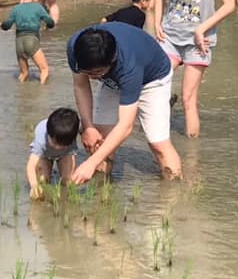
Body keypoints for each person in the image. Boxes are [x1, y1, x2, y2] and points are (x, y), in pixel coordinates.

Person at [67, 23, 182, 183]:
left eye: (97, 72)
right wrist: (88, 126)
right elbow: (80, 85)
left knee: (158, 144)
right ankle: (102, 196)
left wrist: (89, 164)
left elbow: (126, 126)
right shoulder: (76, 47)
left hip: (152, 79)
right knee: (101, 140)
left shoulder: (129, 66)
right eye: (88, 72)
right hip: (112, 81)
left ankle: (175, 197)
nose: (92, 77)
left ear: (112, 60)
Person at [156, 0, 236, 138]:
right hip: (169, 36)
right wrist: (156, 23)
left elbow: (230, 4)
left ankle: (192, 158)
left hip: (199, 42)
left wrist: (202, 28)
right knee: (154, 83)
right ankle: (161, 140)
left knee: (188, 99)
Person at [0, 0, 55, 83]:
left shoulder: (16, 9)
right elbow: (50, 22)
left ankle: (22, 94)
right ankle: (43, 93)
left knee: (24, 73)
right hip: (31, 41)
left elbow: (7, 25)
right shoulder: (38, 7)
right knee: (44, 69)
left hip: (19, 43)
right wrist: (50, 24)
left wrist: (2, 25)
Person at [26, 107, 80, 198]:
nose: (57, 147)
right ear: (49, 134)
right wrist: (34, 185)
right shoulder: (41, 139)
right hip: (45, 154)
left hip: (65, 154)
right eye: (54, 143)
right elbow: (30, 166)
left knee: (68, 181)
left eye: (62, 144)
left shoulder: (71, 133)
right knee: (43, 181)